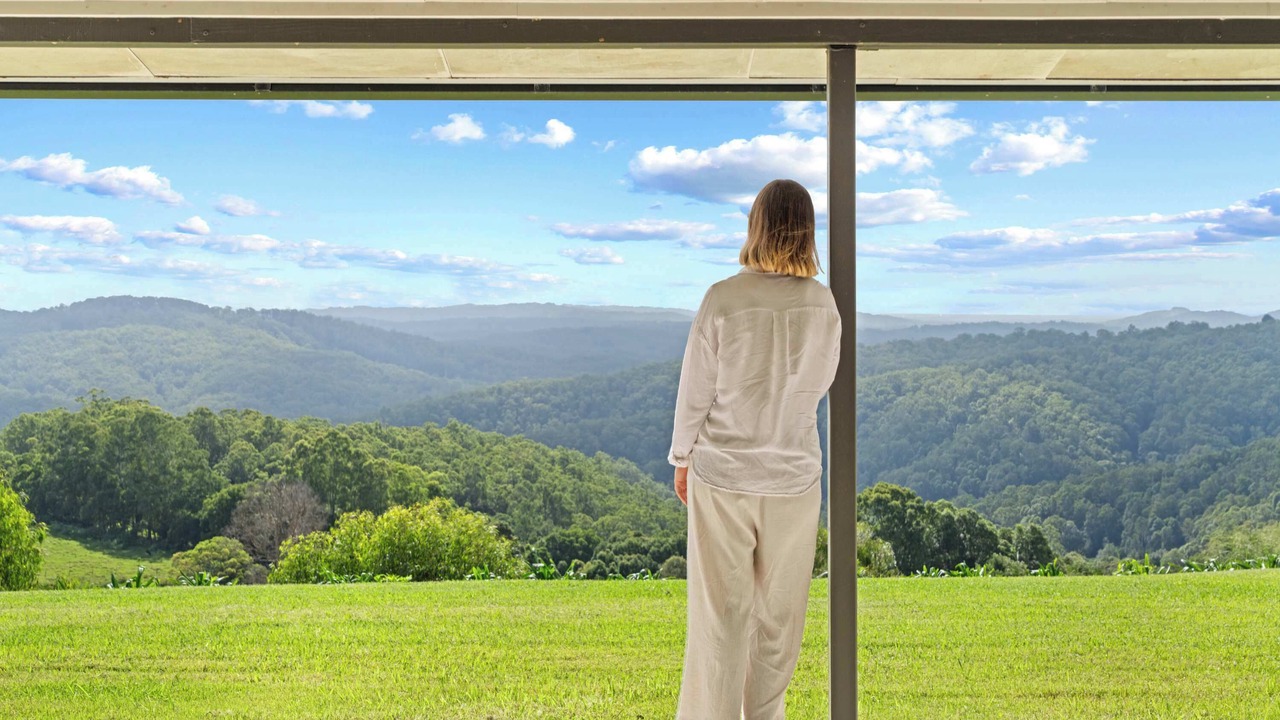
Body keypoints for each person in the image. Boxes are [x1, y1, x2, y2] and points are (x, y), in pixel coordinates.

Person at [669, 178, 842, 720]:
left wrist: (681, 459)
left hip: (722, 475)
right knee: (779, 621)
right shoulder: (822, 304)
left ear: (757, 226)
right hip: (793, 478)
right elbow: (819, 384)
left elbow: (695, 390)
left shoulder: (723, 298)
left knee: (720, 619)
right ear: (807, 231)